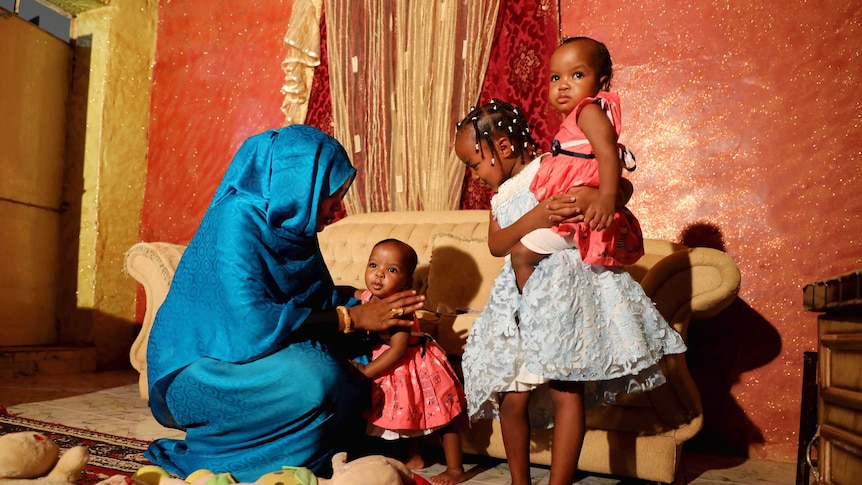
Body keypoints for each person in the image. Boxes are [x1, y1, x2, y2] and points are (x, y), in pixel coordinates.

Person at [144, 124, 425, 481]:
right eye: (332, 196)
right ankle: (242, 462)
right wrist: (351, 317)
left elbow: (308, 296)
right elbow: (251, 320)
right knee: (317, 378)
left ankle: (311, 458)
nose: (337, 210)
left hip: (252, 353)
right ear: (303, 183)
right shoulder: (237, 218)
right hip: (203, 365)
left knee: (359, 357)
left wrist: (367, 301)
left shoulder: (292, 226)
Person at [454, 99, 687, 485]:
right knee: (512, 396)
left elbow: (615, 186)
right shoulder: (501, 197)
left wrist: (600, 198)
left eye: (475, 163)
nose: (474, 174)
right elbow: (497, 244)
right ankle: (519, 481)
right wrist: (537, 215)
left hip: (563, 293)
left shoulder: (553, 166)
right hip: (517, 301)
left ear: (505, 148)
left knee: (567, 389)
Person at [509, 36, 644, 292]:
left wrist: (606, 196)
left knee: (521, 254)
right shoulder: (577, 119)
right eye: (556, 78)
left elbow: (607, 154)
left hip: (584, 217)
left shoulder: (587, 112)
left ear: (601, 83)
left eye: (577, 75)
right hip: (576, 215)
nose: (563, 86)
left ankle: (532, 308)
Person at [349, 238, 468, 485]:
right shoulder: (371, 297)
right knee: (403, 414)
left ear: (406, 282)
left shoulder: (400, 307)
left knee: (439, 418)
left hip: (415, 365)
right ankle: (413, 457)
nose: (379, 274)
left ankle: (455, 468)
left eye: (391, 270)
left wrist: (367, 371)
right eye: (373, 265)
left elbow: (398, 348)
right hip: (393, 366)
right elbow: (353, 292)